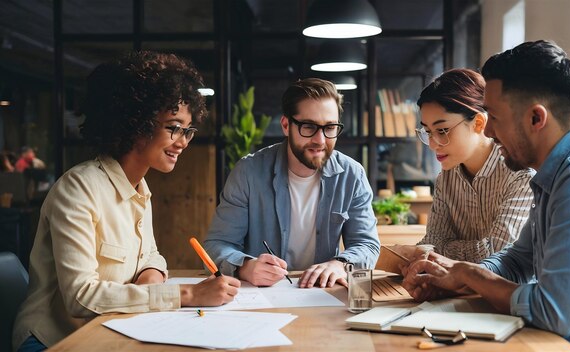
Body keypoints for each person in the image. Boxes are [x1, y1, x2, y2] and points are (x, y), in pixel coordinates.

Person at [401, 40, 570, 352]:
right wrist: (455, 275)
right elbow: (520, 259)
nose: (488, 130)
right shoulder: (555, 173)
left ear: (536, 119)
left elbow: (554, 312)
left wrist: (469, 274)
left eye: (494, 116)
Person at [13, 51, 241, 352]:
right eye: (174, 127)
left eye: (187, 130)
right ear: (137, 123)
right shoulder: (78, 188)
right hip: (53, 339)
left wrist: (151, 275)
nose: (183, 141)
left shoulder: (139, 188)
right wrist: (187, 294)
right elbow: (81, 296)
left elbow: (152, 255)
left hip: (110, 331)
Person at [204, 78, 380, 289]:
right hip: (261, 298)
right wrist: (246, 267)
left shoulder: (352, 175)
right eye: (309, 127)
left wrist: (340, 264)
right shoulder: (248, 172)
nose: (320, 140)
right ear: (286, 125)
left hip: (322, 295)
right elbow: (217, 244)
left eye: (330, 127)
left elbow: (367, 244)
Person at [397, 69, 534, 263]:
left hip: (511, 292)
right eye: (428, 131)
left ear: (478, 123)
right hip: (458, 290)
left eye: (442, 130)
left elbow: (497, 252)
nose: (433, 143)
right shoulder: (446, 179)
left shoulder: (520, 175)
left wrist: (439, 250)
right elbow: (432, 242)